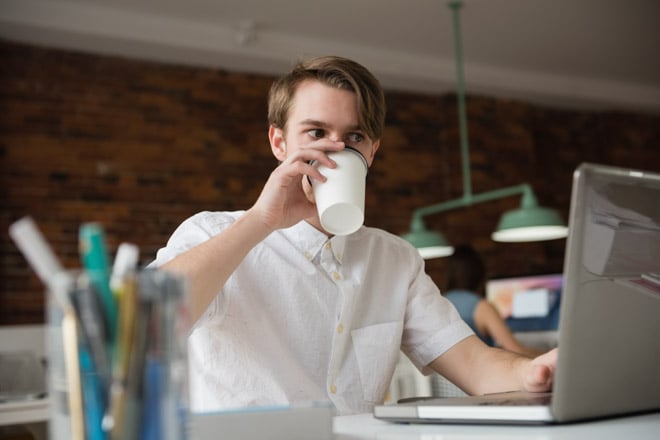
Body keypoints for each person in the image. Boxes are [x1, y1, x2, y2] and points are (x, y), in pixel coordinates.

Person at [150, 56, 557, 415]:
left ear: (371, 153)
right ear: (279, 142)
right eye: (315, 133)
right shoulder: (213, 233)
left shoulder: (395, 260)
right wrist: (261, 220)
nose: (335, 149)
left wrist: (536, 369)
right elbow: (151, 323)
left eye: (354, 137)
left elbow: (472, 364)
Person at [443, 244, 544, 358]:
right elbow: (514, 350)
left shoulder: (441, 302)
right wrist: (554, 356)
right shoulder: (481, 306)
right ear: (480, 274)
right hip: (480, 373)